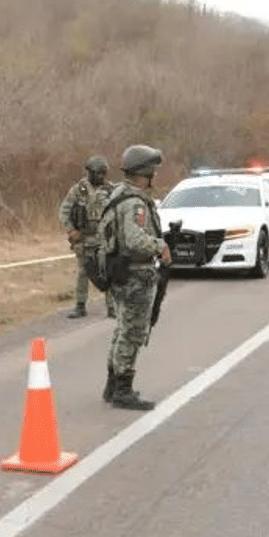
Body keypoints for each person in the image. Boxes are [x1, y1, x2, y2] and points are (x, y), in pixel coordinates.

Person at [99, 144, 171, 411]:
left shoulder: (117, 193)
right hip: (135, 275)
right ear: (145, 173)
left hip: (120, 273)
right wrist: (159, 246)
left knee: (121, 329)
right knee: (131, 333)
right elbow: (134, 239)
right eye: (154, 171)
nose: (156, 176)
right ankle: (123, 390)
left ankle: (112, 384)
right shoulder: (135, 203)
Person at [58, 155, 116, 318]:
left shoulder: (111, 190)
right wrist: (71, 230)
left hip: (105, 237)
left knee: (107, 271)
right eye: (98, 173)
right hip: (84, 238)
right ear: (90, 173)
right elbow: (64, 211)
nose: (101, 177)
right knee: (84, 271)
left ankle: (112, 307)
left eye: (103, 174)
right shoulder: (78, 190)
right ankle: (80, 306)